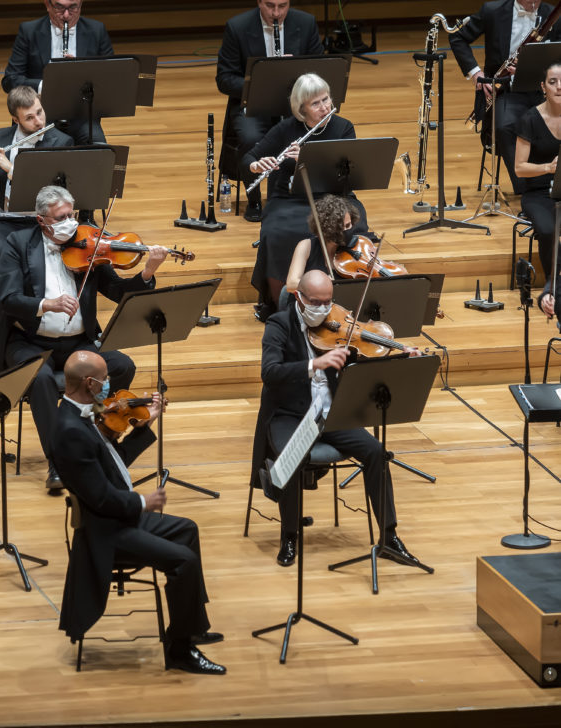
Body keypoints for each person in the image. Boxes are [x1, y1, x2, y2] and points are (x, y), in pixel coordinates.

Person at [53, 350, 225, 675]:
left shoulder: (80, 414)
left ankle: (191, 626)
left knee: (187, 529)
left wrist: (146, 425)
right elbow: (102, 498)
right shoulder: (71, 431)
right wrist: (144, 502)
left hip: (115, 520)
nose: (110, 388)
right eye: (105, 380)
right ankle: (180, 650)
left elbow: (112, 465)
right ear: (90, 383)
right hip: (105, 534)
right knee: (183, 560)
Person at [0, 185, 167, 492]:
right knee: (41, 379)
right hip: (31, 343)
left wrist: (147, 272)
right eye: (62, 217)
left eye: (72, 215)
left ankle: (98, 437)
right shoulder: (18, 243)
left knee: (121, 365)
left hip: (78, 344)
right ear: (42, 221)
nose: (71, 223)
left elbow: (117, 292)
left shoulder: (89, 246)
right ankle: (59, 461)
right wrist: (46, 304)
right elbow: (7, 298)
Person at [251, 270, 421, 567]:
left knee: (375, 452)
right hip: (289, 415)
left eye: (328, 301)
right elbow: (270, 372)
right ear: (298, 297)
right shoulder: (278, 325)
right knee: (291, 457)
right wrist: (314, 363)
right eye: (316, 301)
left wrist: (401, 353)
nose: (323, 308)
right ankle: (289, 535)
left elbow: (366, 353)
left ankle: (389, 537)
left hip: (331, 414)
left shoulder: (338, 324)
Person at [244, 73, 367, 320]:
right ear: (302, 109)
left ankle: (344, 292)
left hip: (334, 196)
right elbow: (248, 158)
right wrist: (256, 166)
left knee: (355, 223)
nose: (324, 107)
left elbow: (347, 176)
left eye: (326, 100)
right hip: (291, 197)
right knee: (276, 231)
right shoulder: (286, 129)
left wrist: (308, 159)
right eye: (316, 103)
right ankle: (282, 305)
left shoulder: (343, 127)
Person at [0, 86, 74, 354]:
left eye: (40, 113)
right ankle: (1, 325)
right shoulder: (0, 138)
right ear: (16, 119)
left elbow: (52, 193)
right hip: (6, 219)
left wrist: (12, 171)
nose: (39, 121)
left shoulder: (61, 142)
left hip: (43, 222)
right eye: (30, 118)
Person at [216, 0, 323, 222]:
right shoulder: (237, 27)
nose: (276, 13)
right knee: (251, 138)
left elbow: (319, 68)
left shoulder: (306, 22)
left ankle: (298, 195)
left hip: (296, 102)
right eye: (270, 6)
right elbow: (224, 79)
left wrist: (296, 72)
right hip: (254, 104)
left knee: (316, 134)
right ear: (259, 3)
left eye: (282, 6)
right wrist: (262, 78)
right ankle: (254, 198)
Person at [450, 0, 561, 194]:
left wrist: (532, 68)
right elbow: (458, 38)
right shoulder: (492, 11)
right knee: (505, 126)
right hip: (506, 91)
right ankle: (529, 192)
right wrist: (477, 75)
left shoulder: (554, 15)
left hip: (544, 89)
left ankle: (555, 185)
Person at [2, 0, 113, 144]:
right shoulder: (29, 31)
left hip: (81, 116)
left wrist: (82, 72)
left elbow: (109, 78)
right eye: (60, 7)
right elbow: (10, 80)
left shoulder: (96, 30)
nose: (66, 15)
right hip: (39, 115)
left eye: (73, 7)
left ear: (81, 4)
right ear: (47, 5)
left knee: (100, 151)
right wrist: (47, 85)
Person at [515, 62, 561, 274]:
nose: (559, 87)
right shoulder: (530, 119)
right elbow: (520, 168)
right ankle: (555, 286)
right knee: (548, 230)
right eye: (553, 82)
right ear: (543, 87)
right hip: (539, 193)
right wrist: (548, 168)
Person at [284, 194, 358, 295]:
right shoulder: (306, 246)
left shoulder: (357, 246)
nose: (345, 231)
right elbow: (291, 285)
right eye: (340, 228)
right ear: (326, 229)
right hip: (310, 305)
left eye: (348, 225)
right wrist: (321, 285)